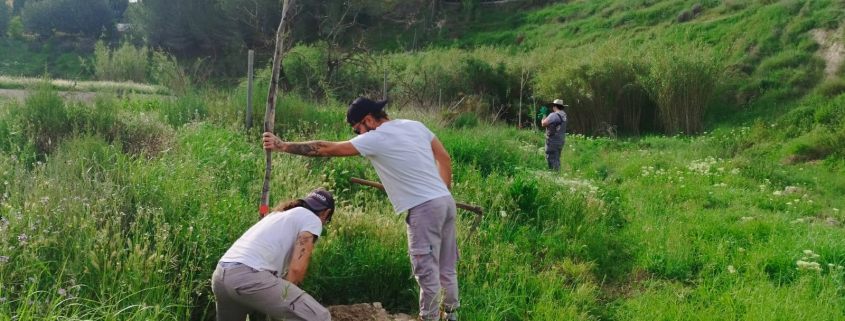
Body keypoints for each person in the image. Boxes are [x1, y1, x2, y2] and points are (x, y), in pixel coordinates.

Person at [262, 98, 459, 321]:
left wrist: (283, 146)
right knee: (446, 266)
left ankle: (430, 318)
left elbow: (326, 149)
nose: (359, 134)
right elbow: (444, 158)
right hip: (445, 203)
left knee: (426, 271)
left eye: (358, 129)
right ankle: (451, 315)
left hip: (424, 210)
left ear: (368, 120)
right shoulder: (414, 125)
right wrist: (442, 192)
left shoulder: (376, 137)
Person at [211, 189, 335, 321]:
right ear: (326, 213)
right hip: (247, 277)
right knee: (320, 317)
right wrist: (286, 302)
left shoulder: (279, 215)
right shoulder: (313, 219)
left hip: (221, 276)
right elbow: (297, 269)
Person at [541, 99, 568, 171]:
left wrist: (544, 115)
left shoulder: (553, 115)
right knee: (556, 158)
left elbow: (544, 124)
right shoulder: (564, 115)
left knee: (551, 159)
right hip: (560, 141)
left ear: (555, 106)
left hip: (552, 141)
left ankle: (554, 176)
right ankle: (557, 174)